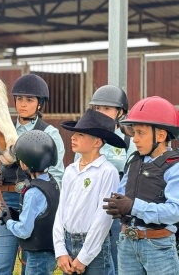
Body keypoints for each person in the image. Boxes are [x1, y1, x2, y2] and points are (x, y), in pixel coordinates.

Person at [0, 74, 65, 275]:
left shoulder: (50, 133)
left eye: (29, 100)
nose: (23, 104)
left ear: (40, 104)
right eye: (20, 99)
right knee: (2, 266)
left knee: (29, 266)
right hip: (9, 202)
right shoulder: (5, 129)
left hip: (36, 203)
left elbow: (56, 173)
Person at [103, 96, 179, 275]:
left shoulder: (174, 167)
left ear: (160, 135)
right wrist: (117, 206)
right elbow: (122, 192)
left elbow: (175, 211)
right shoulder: (135, 161)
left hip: (158, 247)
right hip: (126, 243)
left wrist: (133, 206)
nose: (135, 139)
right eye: (134, 133)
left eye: (141, 133)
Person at [53, 109, 126, 275]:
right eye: (74, 134)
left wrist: (84, 257)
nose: (73, 137)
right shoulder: (70, 170)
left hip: (94, 248)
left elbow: (103, 218)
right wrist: (60, 250)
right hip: (68, 243)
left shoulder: (107, 172)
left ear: (97, 142)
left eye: (80, 135)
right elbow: (61, 211)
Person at [74, 85, 136, 274]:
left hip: (117, 213)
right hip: (89, 210)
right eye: (98, 108)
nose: (100, 112)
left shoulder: (129, 142)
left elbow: (132, 178)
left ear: (121, 112)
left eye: (107, 109)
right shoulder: (86, 139)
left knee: (118, 262)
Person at [0, 130, 60, 275]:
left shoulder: (32, 192)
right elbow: (40, 215)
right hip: (49, 253)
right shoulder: (52, 182)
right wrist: (18, 215)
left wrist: (8, 222)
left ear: (25, 163)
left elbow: (25, 231)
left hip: (38, 257)